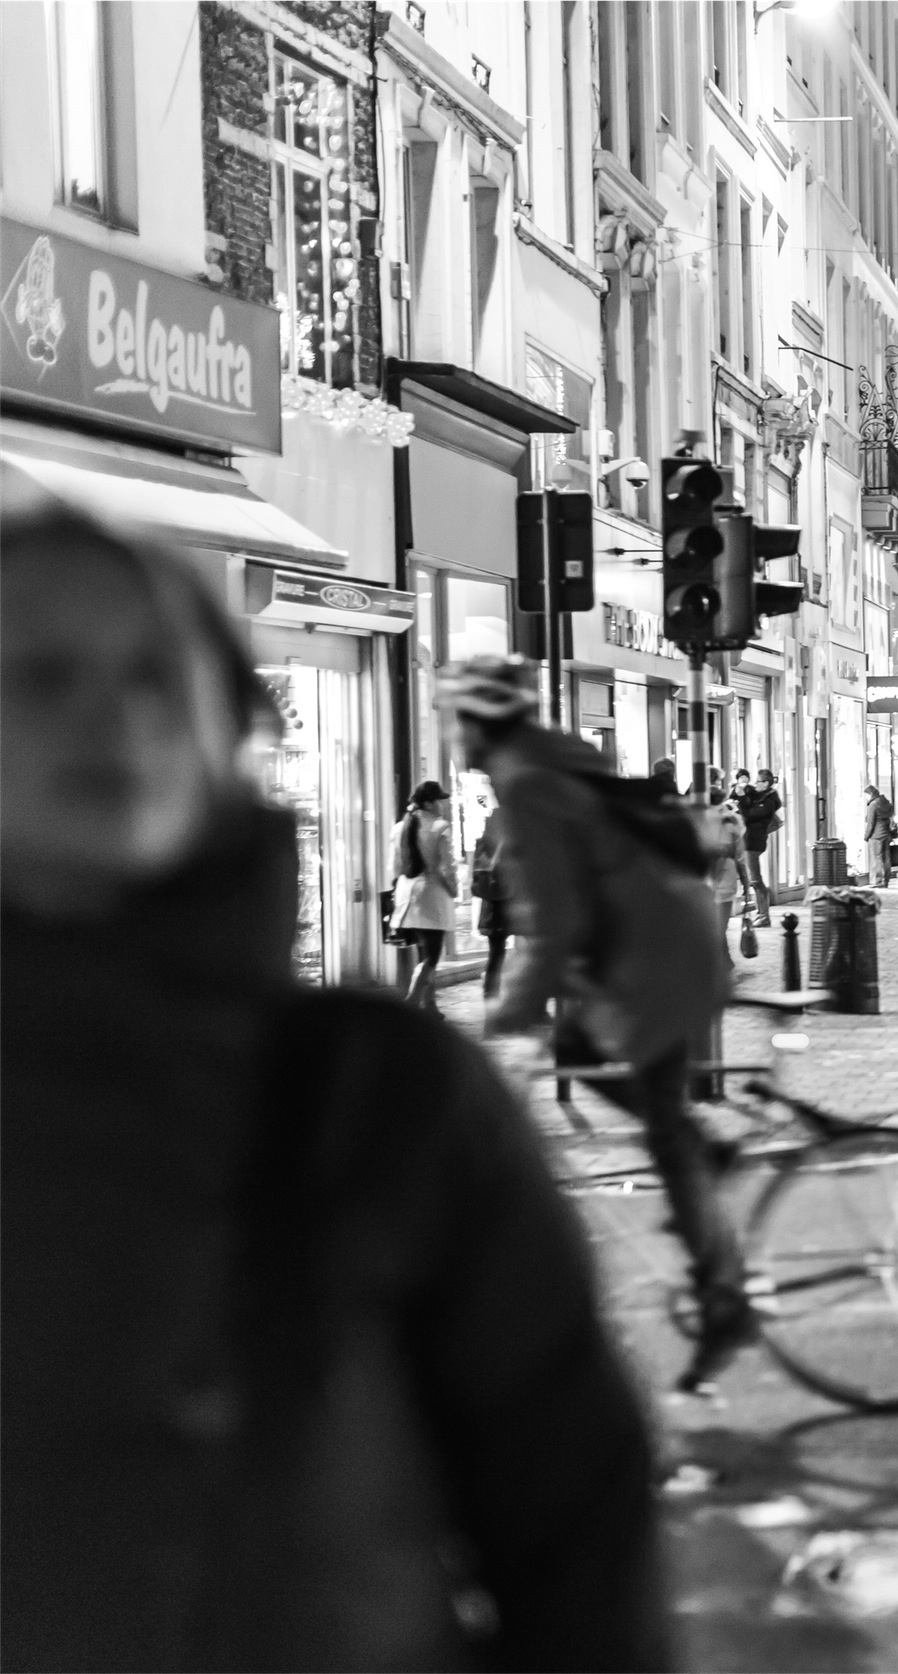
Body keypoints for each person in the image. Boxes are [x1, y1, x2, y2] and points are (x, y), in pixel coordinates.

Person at [0, 486, 668, 1668]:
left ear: (222, 727)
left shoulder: (376, 1092)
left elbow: (573, 1510)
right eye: (43, 676)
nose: (114, 717)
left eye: (158, 675)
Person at [444, 657, 747, 1391]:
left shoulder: (525, 783)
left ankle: (723, 1294)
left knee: (662, 1124)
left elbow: (552, 921)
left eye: (455, 718)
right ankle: (696, 1152)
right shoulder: (552, 756)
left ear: (479, 723)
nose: (451, 734)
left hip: (651, 962)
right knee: (583, 1051)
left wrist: (507, 1010)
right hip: (656, 942)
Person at [389, 780, 459, 1011]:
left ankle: (430, 1004)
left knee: (423, 953)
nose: (442, 805)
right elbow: (446, 867)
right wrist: (454, 889)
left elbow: (394, 867)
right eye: (439, 800)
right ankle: (412, 1003)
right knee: (431, 957)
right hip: (432, 896)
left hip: (406, 896)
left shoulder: (400, 827)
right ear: (429, 804)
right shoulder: (440, 827)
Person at [472, 805, 514, 998]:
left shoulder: (482, 843)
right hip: (505, 900)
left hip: (490, 902)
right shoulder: (507, 842)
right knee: (501, 951)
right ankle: (493, 990)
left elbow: (479, 875)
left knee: (496, 950)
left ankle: (491, 990)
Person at [735, 769, 782, 920]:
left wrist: (742, 799)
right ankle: (762, 912)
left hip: (754, 841)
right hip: (750, 840)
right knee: (754, 877)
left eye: (758, 781)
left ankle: (764, 914)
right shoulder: (759, 796)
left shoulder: (768, 800)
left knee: (755, 878)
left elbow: (749, 815)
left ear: (766, 783)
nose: (755, 784)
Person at [701, 782, 746, 938]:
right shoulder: (732, 821)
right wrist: (745, 881)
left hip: (703, 877)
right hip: (727, 873)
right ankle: (722, 957)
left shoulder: (698, 819)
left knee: (707, 929)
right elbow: (740, 855)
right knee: (721, 929)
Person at [864, 782, 897, 889]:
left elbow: (871, 823)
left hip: (876, 835)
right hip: (887, 834)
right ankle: (886, 880)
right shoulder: (886, 803)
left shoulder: (873, 805)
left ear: (870, 794)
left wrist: (866, 836)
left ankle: (879, 881)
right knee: (887, 858)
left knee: (878, 858)